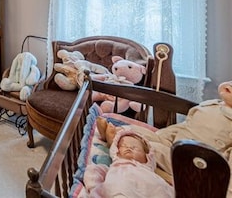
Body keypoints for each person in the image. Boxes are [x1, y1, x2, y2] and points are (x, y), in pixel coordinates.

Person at [96, 79, 232, 195]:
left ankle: (117, 142)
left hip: (193, 159)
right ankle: (123, 131)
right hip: (174, 140)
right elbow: (186, 125)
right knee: (140, 132)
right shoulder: (213, 105)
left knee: (151, 149)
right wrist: (163, 135)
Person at [84, 130, 173, 198]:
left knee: (160, 188)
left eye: (135, 147)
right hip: (122, 191)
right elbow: (93, 171)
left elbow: (165, 187)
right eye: (123, 146)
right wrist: (95, 188)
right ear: (116, 151)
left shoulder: (149, 172)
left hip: (152, 191)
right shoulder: (116, 167)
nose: (129, 148)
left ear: (147, 154)